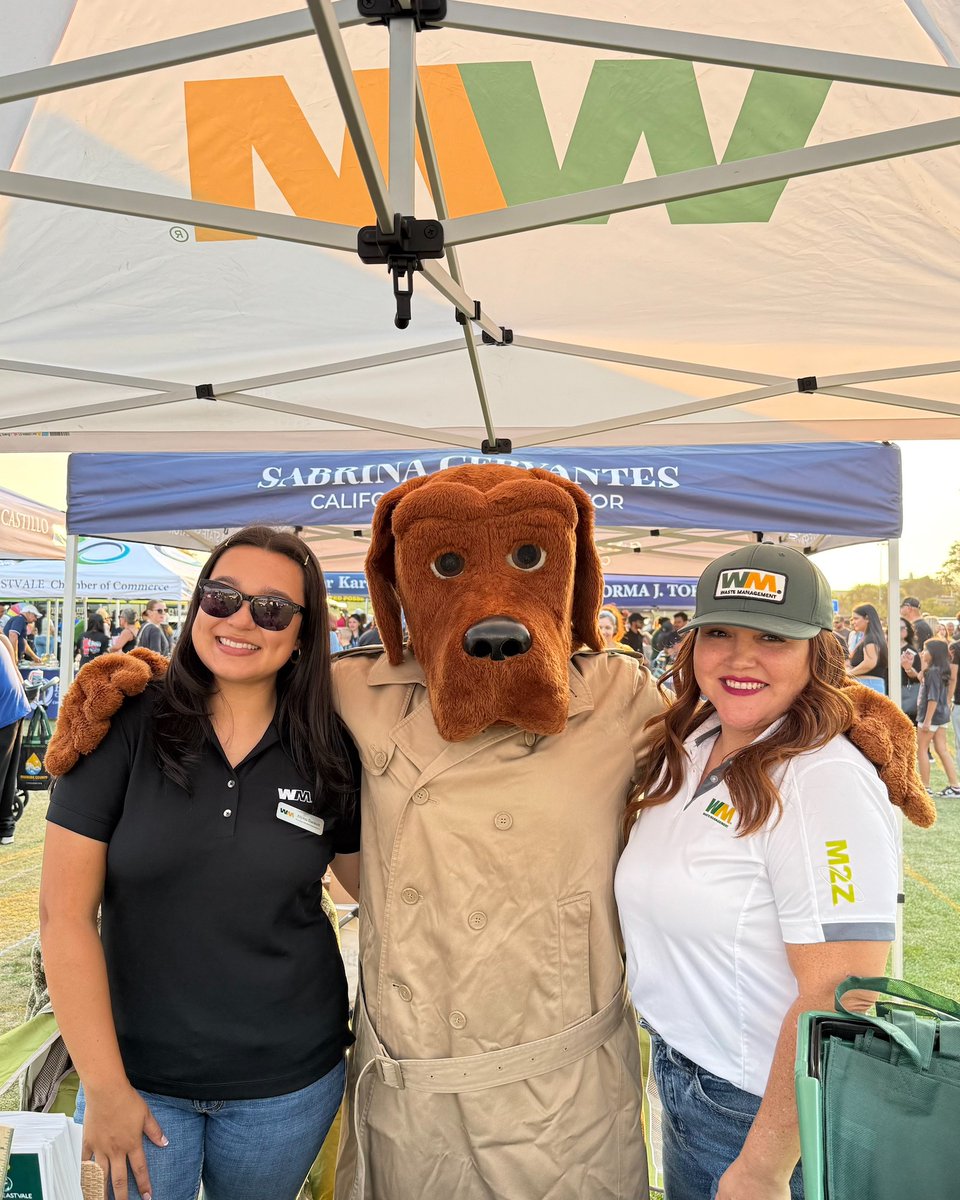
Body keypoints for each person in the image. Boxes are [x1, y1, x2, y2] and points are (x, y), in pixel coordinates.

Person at [40, 526, 361, 1200]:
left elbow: (381, 890)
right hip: (135, 1077)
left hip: (288, 1083)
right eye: (222, 597)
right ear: (196, 609)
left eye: (272, 608)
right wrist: (104, 1087)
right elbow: (63, 917)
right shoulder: (120, 720)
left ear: (303, 633)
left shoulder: (331, 741)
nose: (240, 620)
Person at [616, 543, 899, 1200]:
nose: (741, 658)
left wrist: (765, 1165)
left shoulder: (824, 780)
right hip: (686, 1077)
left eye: (772, 637)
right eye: (719, 633)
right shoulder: (690, 740)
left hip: (758, 1111)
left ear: (816, 652)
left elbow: (844, 990)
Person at [915, 637, 960, 798]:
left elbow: (932, 698)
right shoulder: (938, 670)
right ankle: (955, 786)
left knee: (921, 749)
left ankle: (925, 786)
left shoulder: (933, 672)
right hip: (942, 715)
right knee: (942, 749)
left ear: (933, 653)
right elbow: (922, 680)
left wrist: (927, 721)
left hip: (931, 716)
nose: (922, 652)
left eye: (925, 650)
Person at [0, 629, 31, 847]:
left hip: (7, 708)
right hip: (15, 704)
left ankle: (5, 826)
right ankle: (5, 827)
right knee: (7, 771)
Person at [846, 603, 888, 691]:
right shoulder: (870, 637)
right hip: (868, 684)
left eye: (856, 618)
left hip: (868, 684)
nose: (853, 622)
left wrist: (849, 674)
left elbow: (870, 663)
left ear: (867, 618)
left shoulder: (871, 638)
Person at [898, 617, 922, 722]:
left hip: (904, 693)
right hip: (885, 690)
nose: (901, 630)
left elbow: (917, 676)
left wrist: (907, 668)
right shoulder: (885, 647)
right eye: (898, 628)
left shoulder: (910, 650)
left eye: (903, 628)